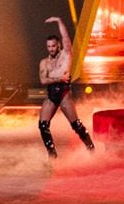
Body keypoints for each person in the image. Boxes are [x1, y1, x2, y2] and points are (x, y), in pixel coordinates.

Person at [37, 16, 94, 158]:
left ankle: (91, 148)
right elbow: (43, 80)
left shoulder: (66, 55)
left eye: (53, 46)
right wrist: (58, 78)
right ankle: (52, 154)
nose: (51, 49)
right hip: (51, 95)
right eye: (49, 46)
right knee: (43, 126)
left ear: (59, 46)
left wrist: (59, 21)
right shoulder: (44, 63)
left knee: (76, 125)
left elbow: (66, 39)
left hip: (64, 94)